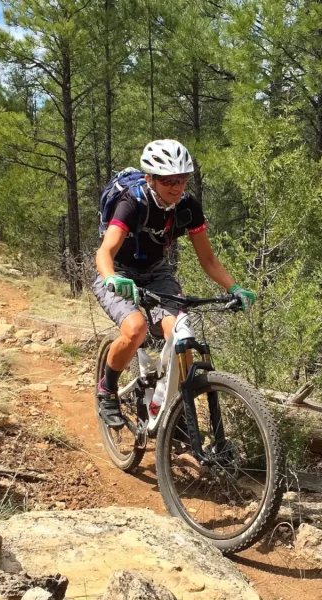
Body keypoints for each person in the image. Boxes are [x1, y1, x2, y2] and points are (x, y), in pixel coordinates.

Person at [93, 139, 255, 428]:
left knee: (182, 337)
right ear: (150, 179)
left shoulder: (188, 207)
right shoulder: (132, 202)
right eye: (167, 180)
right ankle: (107, 390)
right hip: (118, 272)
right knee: (136, 330)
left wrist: (234, 288)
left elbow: (209, 260)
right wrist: (112, 278)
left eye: (181, 179)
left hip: (157, 273)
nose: (176, 186)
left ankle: (174, 411)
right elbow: (105, 251)